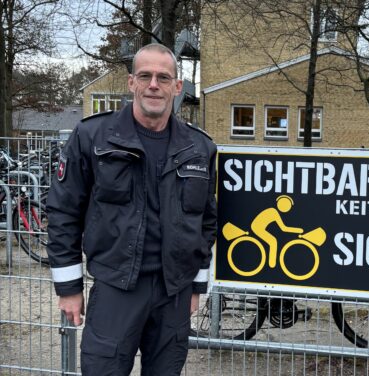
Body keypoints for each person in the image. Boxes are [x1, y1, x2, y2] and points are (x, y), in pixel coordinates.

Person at [46, 43, 217, 375]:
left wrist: (197, 286)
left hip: (174, 294)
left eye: (163, 77)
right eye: (145, 75)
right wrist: (68, 288)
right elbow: (64, 212)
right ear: (131, 83)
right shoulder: (93, 137)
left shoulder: (199, 148)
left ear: (177, 87)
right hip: (115, 289)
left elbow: (205, 222)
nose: (154, 84)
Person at [250, 195, 303, 268]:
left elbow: (282, 228)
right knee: (273, 241)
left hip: (258, 226)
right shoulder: (274, 212)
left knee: (273, 240)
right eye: (287, 205)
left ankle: (271, 263)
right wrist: (298, 230)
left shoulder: (273, 211)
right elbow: (283, 228)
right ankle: (272, 264)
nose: (287, 207)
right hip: (257, 227)